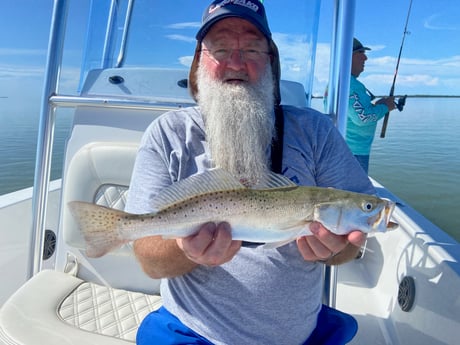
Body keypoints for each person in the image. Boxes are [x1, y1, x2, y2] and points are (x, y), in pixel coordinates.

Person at [126, 1, 375, 344]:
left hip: (302, 334)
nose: (237, 63)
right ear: (200, 61)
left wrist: (338, 249)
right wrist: (185, 251)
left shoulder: (314, 131)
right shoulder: (167, 133)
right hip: (192, 333)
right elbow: (149, 259)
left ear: (271, 62)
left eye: (252, 49)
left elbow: (349, 247)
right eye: (221, 49)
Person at [347, 38, 396, 173]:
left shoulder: (345, 82)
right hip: (353, 153)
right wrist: (385, 107)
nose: (365, 58)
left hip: (350, 150)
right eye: (360, 52)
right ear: (347, 56)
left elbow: (357, 112)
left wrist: (378, 105)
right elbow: (362, 118)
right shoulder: (350, 85)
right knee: (356, 193)